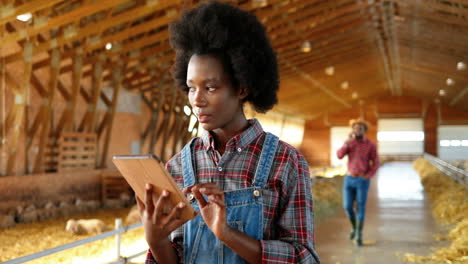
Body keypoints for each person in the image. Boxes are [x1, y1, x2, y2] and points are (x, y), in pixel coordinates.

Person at [137, 1, 320, 263]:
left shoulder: (286, 163)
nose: (197, 100)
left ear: (242, 88)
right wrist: (155, 241)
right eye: (191, 88)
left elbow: (305, 257)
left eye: (210, 88)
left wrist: (227, 234)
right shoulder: (177, 167)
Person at [336, 118, 379, 246]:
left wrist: (369, 175)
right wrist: (346, 143)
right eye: (355, 128)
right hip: (349, 178)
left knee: (360, 207)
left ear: (364, 130)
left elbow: (376, 162)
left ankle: (359, 234)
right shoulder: (350, 143)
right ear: (353, 130)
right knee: (347, 206)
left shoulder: (370, 145)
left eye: (360, 128)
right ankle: (354, 228)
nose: (357, 130)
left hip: (362, 180)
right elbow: (339, 155)